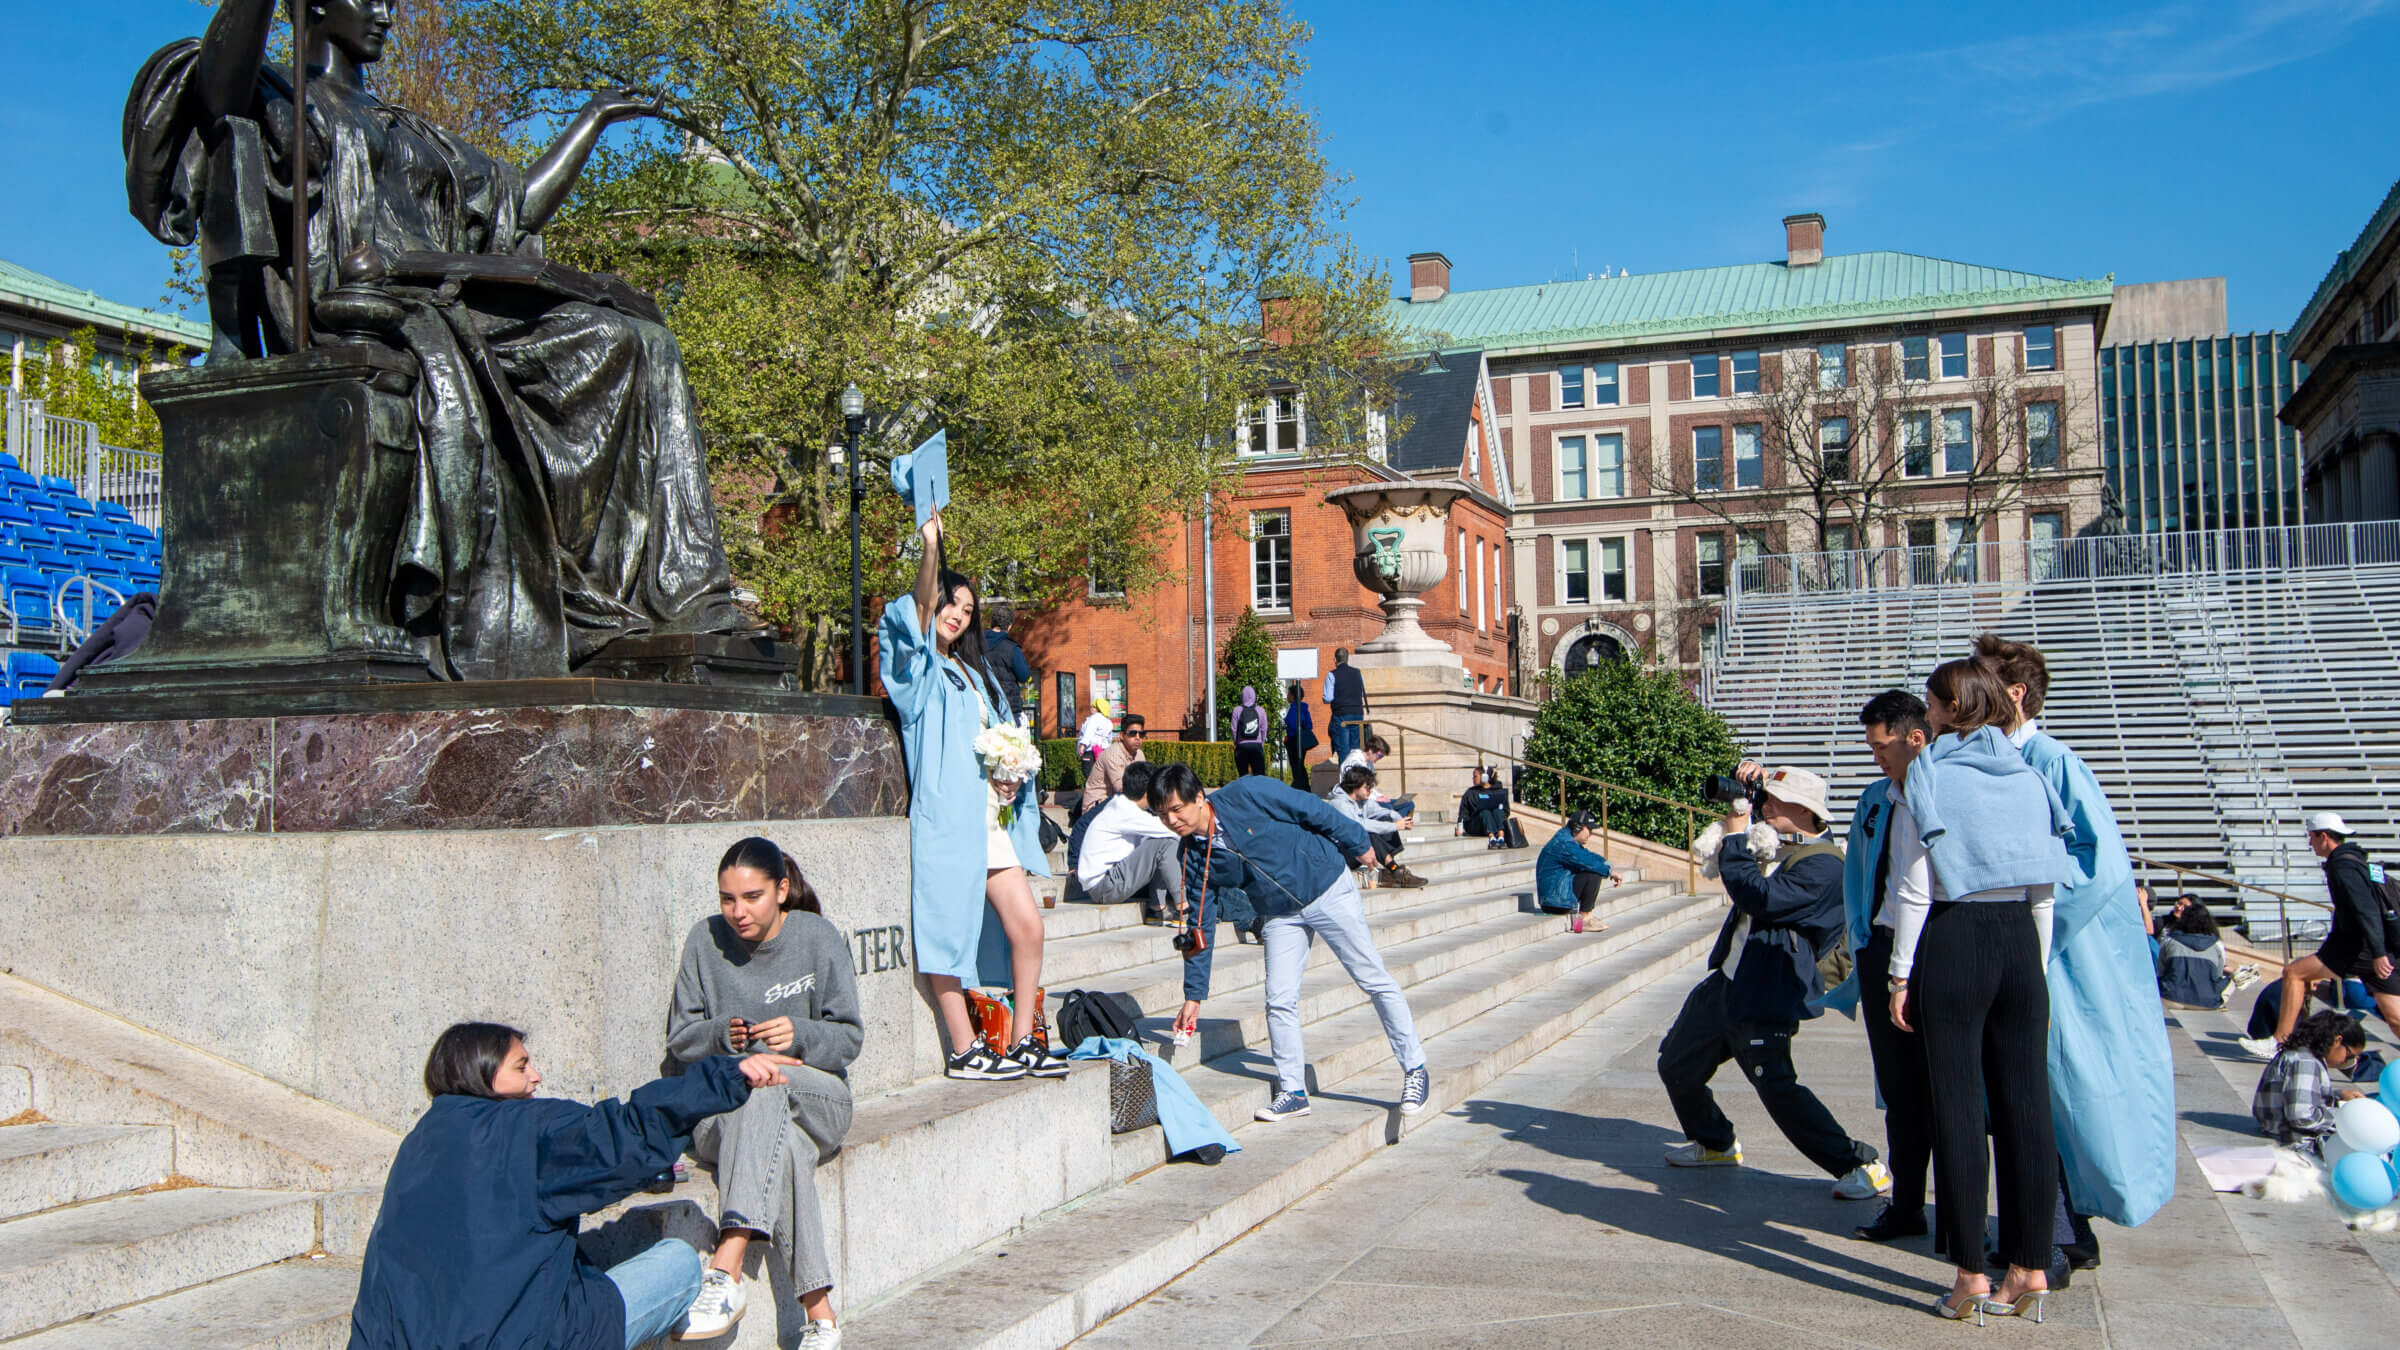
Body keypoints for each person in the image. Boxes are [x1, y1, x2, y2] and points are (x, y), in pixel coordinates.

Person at [131, 0, 744, 681]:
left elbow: (510, 211)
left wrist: (589, 122)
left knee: (638, 342)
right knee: (597, 339)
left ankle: (673, 591)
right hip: (353, 307)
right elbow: (217, 90)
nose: (387, 14)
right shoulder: (278, 97)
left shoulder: (413, 130)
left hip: (445, 295)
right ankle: (528, 604)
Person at [347, 1023, 799, 1349]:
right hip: (525, 1338)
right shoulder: (527, 1131)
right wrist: (727, 1075)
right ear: (484, 1075)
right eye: (522, 1065)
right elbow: (623, 1135)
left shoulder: (418, 1143)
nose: (536, 1076)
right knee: (679, 1262)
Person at [1973, 632, 2176, 1269]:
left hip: (2056, 957)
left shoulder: (2052, 760)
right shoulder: (1993, 760)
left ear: (2012, 694)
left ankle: (2050, 1236)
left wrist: (2029, 928)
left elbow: (2098, 862)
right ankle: (2065, 1229)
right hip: (2030, 950)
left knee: (2039, 1093)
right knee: (2034, 1095)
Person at [1888, 659, 2071, 1323]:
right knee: (2028, 1109)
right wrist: (2037, 968)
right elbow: (2045, 886)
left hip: (1957, 933)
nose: (1926, 715)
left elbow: (1914, 886)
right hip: (2021, 939)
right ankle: (2030, 1267)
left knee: (1960, 1110)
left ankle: (1970, 1273)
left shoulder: (1929, 772)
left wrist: (1899, 973)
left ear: (1945, 708)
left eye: (1931, 705)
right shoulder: (2027, 776)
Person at [878, 512, 1064, 1084]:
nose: (957, 613)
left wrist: (1011, 774)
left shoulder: (973, 670)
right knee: (948, 931)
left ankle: (1019, 1039)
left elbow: (1001, 737)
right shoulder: (920, 669)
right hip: (947, 820)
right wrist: (930, 548)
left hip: (991, 819)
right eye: (949, 602)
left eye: (967, 608)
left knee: (1027, 926)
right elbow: (910, 617)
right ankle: (964, 1049)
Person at [1657, 764, 1887, 1207]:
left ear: (1802, 810)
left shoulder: (1825, 866)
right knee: (1677, 1064)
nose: (1763, 807)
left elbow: (1759, 897)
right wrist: (1748, 786)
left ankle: (1861, 1164)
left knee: (1777, 1088)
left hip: (1767, 991)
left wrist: (1738, 833)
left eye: (1773, 801)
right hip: (1728, 980)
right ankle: (1715, 1143)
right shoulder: (1781, 846)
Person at [1148, 763, 1430, 1121]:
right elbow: (1200, 923)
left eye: (1176, 809)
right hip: (1280, 913)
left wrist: (1358, 842)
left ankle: (1415, 1069)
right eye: (1162, 815)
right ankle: (1293, 1090)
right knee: (1279, 999)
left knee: (1372, 978)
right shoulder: (1190, 856)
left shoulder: (1247, 793)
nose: (1172, 821)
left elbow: (1310, 809)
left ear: (1199, 798)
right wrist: (1194, 995)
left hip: (1325, 884)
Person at [664, 838, 861, 1346]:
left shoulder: (816, 937)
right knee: (770, 1113)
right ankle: (821, 1316)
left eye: (751, 897)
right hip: (725, 1114)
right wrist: (721, 1038)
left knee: (768, 1080)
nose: (737, 912)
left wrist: (798, 1035)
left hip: (817, 1100)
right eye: (727, 899)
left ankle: (726, 1267)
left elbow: (849, 1038)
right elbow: (681, 1040)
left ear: (781, 890)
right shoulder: (703, 942)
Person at [1840, 690, 1938, 1246]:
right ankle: (1905, 1206)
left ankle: (1960, 1213)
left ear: (1913, 737)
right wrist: (1861, 940)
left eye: (1882, 748)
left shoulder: (1941, 795)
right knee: (1898, 1090)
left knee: (1948, 1087)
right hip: (1882, 946)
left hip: (1933, 952)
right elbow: (1859, 867)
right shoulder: (1875, 799)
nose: (1876, 757)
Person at [2245, 811, 2400, 1056]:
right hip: (2370, 948)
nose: (2310, 843)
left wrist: (2378, 953)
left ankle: (2280, 1041)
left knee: (2294, 973)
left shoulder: (2343, 866)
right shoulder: (2357, 860)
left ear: (2324, 836)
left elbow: (2366, 910)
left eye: (2312, 837)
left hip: (2358, 949)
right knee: (2395, 1017)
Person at [1076, 761, 1184, 925]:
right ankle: (1183, 907)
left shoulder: (1120, 805)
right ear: (1149, 792)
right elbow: (1172, 831)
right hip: (1105, 886)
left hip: (1106, 882)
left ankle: (1157, 909)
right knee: (1166, 842)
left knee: (1159, 841)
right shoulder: (1126, 812)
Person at [2251, 1011, 2369, 1158]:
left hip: (2282, 1128)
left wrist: (2337, 1097)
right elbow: (2301, 1116)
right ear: (2337, 1041)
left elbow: (2299, 1097)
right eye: (2349, 1056)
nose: (2348, 1062)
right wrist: (2345, 1115)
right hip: (2292, 1138)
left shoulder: (2303, 1055)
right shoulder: (2305, 1062)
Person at [1328, 765, 1428, 889]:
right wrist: (1394, 826)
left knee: (1385, 818)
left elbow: (1380, 811)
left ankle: (1392, 869)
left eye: (1371, 787)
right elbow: (1360, 825)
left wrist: (1398, 818)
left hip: (1354, 850)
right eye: (1367, 787)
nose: (1370, 790)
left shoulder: (1361, 800)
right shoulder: (1339, 804)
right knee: (1367, 833)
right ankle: (1395, 871)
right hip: (1339, 855)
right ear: (1355, 785)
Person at [1534, 811, 1619, 934]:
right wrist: (1610, 872)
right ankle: (1584, 918)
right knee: (1593, 875)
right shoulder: (1565, 844)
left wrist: (1607, 865)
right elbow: (1588, 862)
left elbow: (1588, 855)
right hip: (1555, 901)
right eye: (1589, 830)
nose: (1591, 834)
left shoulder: (1566, 840)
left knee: (1591, 870)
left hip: (1556, 896)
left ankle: (1584, 917)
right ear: (1577, 828)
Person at [2156, 901, 2232, 1011]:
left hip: (2169, 999)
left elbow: (2160, 970)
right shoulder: (2217, 944)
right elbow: (2218, 974)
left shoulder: (2169, 940)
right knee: (2236, 978)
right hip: (2206, 1003)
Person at [1338, 735, 1415, 818]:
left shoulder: (1369, 763)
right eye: (1380, 756)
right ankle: (1393, 823)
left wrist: (1380, 796)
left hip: (1370, 798)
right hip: (1359, 801)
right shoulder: (1353, 762)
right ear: (1370, 750)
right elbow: (1357, 788)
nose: (1379, 759)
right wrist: (1376, 798)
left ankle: (1395, 823)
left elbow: (1369, 787)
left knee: (1408, 804)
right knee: (1387, 809)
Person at [981, 602, 1033, 725]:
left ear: (991, 623)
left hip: (984, 705)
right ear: (1009, 626)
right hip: (1008, 707)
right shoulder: (1012, 648)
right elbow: (1024, 676)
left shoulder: (977, 645)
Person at [1083, 713, 1148, 803]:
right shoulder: (1113, 754)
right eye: (1133, 733)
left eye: (1141, 734)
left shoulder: (1139, 754)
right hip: (1096, 805)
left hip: (1115, 802)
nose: (1138, 737)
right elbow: (1122, 789)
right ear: (1121, 735)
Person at [1324, 648, 1368, 762]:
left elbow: (1328, 698)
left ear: (1335, 659)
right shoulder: (1357, 672)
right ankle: (1356, 776)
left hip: (1341, 715)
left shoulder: (1332, 674)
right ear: (1348, 659)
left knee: (1343, 751)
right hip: (1358, 714)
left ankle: (1346, 776)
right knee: (1356, 750)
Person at [1457, 767, 1514, 848]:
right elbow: (1463, 812)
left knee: (1497, 811)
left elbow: (1506, 811)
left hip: (1494, 823)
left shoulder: (1498, 791)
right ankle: (1492, 838)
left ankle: (1501, 837)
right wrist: (1460, 827)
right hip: (1477, 824)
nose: (1473, 779)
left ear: (1484, 777)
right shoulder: (1470, 793)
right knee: (1485, 812)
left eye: (1475, 776)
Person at [1282, 681, 1317, 790]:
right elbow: (1309, 724)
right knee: (1300, 764)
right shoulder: (1304, 708)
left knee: (1296, 765)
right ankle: (1304, 786)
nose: (1287, 696)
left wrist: (1290, 735)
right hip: (1302, 740)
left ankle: (1299, 786)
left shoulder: (1294, 708)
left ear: (1293, 696)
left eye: (1288, 694)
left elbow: (1293, 724)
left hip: (1294, 740)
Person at [1231, 686, 1271, 777]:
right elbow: (1264, 728)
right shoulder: (1261, 710)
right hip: (1256, 746)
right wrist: (1262, 741)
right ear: (1254, 696)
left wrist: (1236, 742)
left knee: (1243, 776)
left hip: (1241, 746)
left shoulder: (1237, 710)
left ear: (1242, 696)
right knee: (1259, 776)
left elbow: (1234, 729)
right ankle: (1259, 791)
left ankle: (1245, 791)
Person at [1078, 698, 1116, 772]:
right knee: (1101, 773)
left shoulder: (1094, 718)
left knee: (1088, 773)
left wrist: (1083, 745)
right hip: (1103, 750)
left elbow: (1089, 732)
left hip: (1090, 749)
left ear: (1099, 708)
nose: (1091, 707)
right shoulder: (1108, 721)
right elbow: (1109, 739)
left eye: (1093, 706)